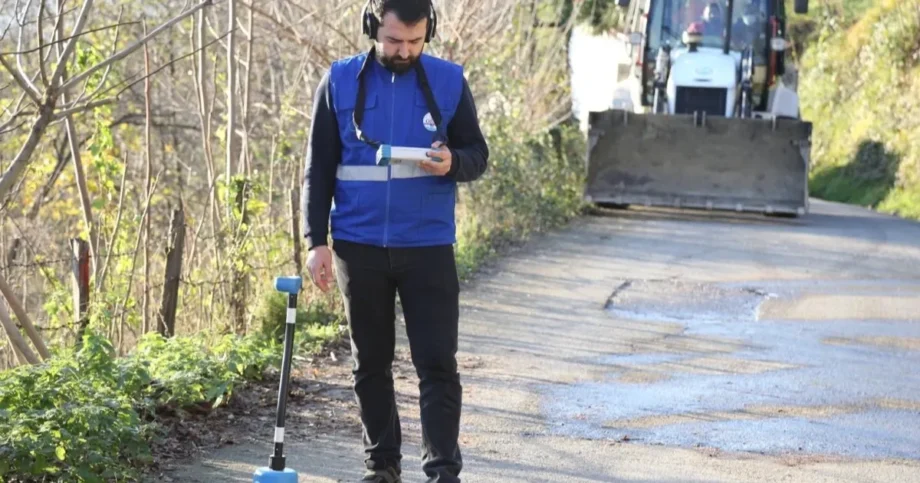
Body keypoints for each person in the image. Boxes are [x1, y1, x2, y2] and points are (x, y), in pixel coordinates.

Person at [301, 0, 489, 481]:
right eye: (393, 41)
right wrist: (314, 240)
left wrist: (454, 163)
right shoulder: (339, 81)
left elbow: (477, 154)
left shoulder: (448, 80)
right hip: (356, 244)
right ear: (371, 29)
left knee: (437, 364)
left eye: (414, 42)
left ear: (429, 34)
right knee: (370, 364)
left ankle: (443, 469)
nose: (404, 51)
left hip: (427, 244)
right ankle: (381, 466)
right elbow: (317, 169)